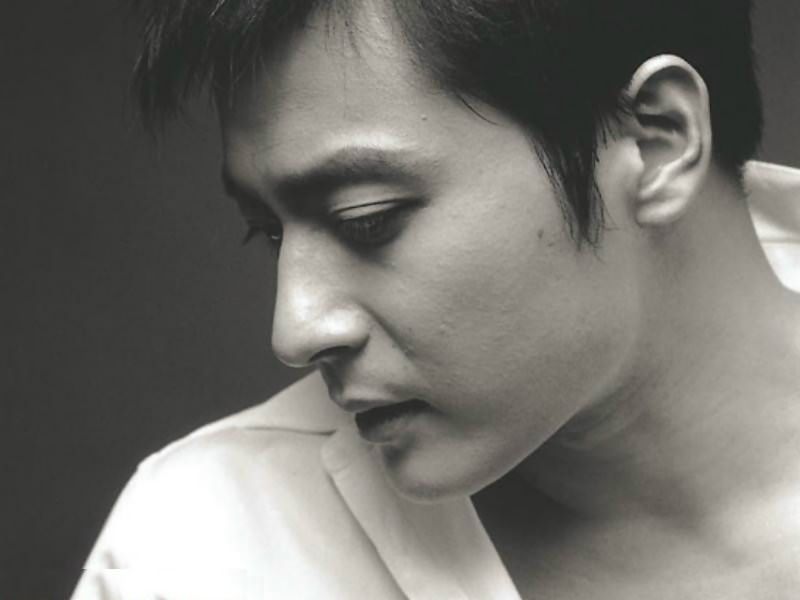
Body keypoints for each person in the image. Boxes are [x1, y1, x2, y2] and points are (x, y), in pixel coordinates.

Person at [73, 0, 800, 598]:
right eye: (267, 232)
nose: (295, 330)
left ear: (657, 142)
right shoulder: (196, 557)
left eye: (367, 219)